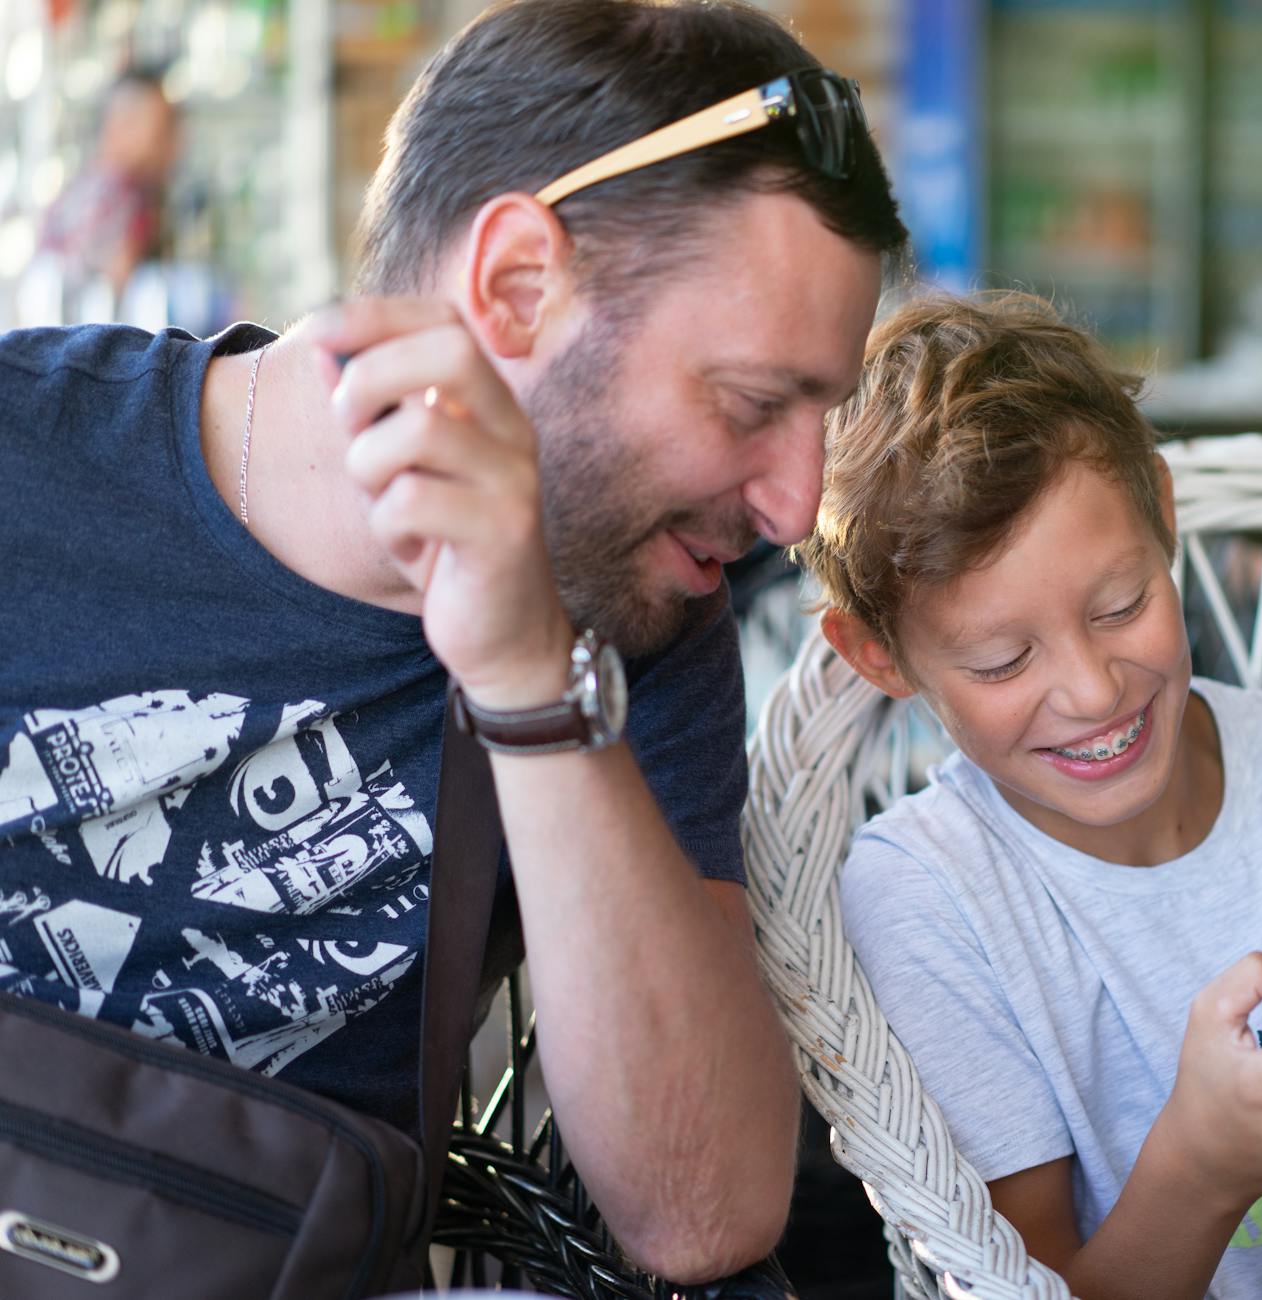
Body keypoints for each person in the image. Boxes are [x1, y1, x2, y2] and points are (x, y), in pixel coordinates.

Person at [0, 0, 905, 1281]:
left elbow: (703, 1212)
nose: (796, 506)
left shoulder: (636, 624)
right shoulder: (26, 454)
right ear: (517, 288)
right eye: (757, 404)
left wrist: (532, 678)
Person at [796, 294, 1262, 1300]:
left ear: (1163, 510)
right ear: (877, 655)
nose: (1095, 690)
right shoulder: (929, 894)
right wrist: (1204, 1161)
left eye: (1122, 605)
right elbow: (1032, 1282)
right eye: (1005, 659)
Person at [34, 68, 179, 305]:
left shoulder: (85, 186)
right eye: (163, 129)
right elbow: (118, 293)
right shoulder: (120, 195)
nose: (172, 145)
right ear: (123, 124)